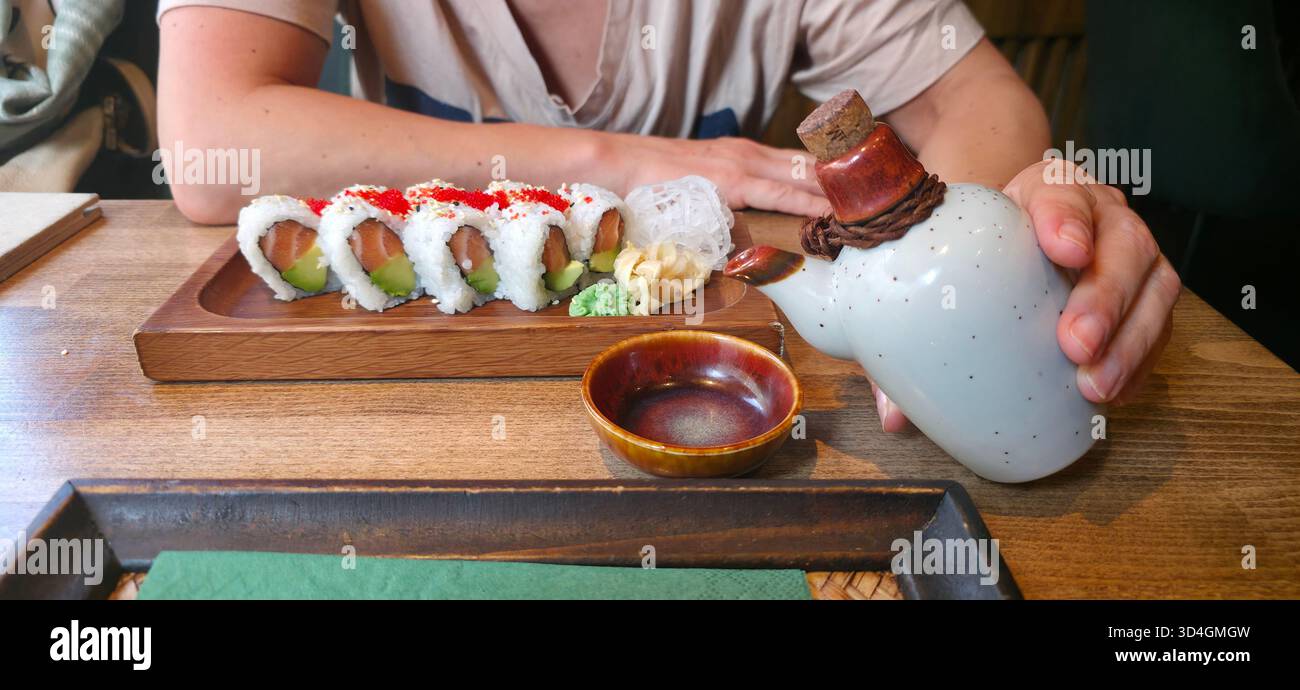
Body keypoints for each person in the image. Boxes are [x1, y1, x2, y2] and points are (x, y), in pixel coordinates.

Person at [157, 0, 1180, 425]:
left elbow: (988, 112)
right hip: (398, 402)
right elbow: (209, 144)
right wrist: (626, 162)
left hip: (703, 394)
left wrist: (990, 248)